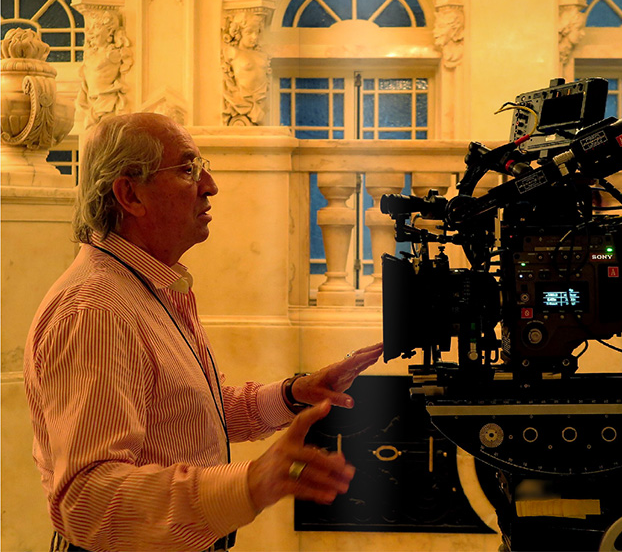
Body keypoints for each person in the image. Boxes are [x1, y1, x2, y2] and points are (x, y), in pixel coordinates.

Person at [23, 112, 383, 552]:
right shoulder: (96, 310)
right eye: (188, 169)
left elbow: (193, 413)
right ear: (130, 194)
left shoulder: (151, 284)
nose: (210, 185)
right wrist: (251, 482)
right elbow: (89, 502)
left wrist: (294, 393)